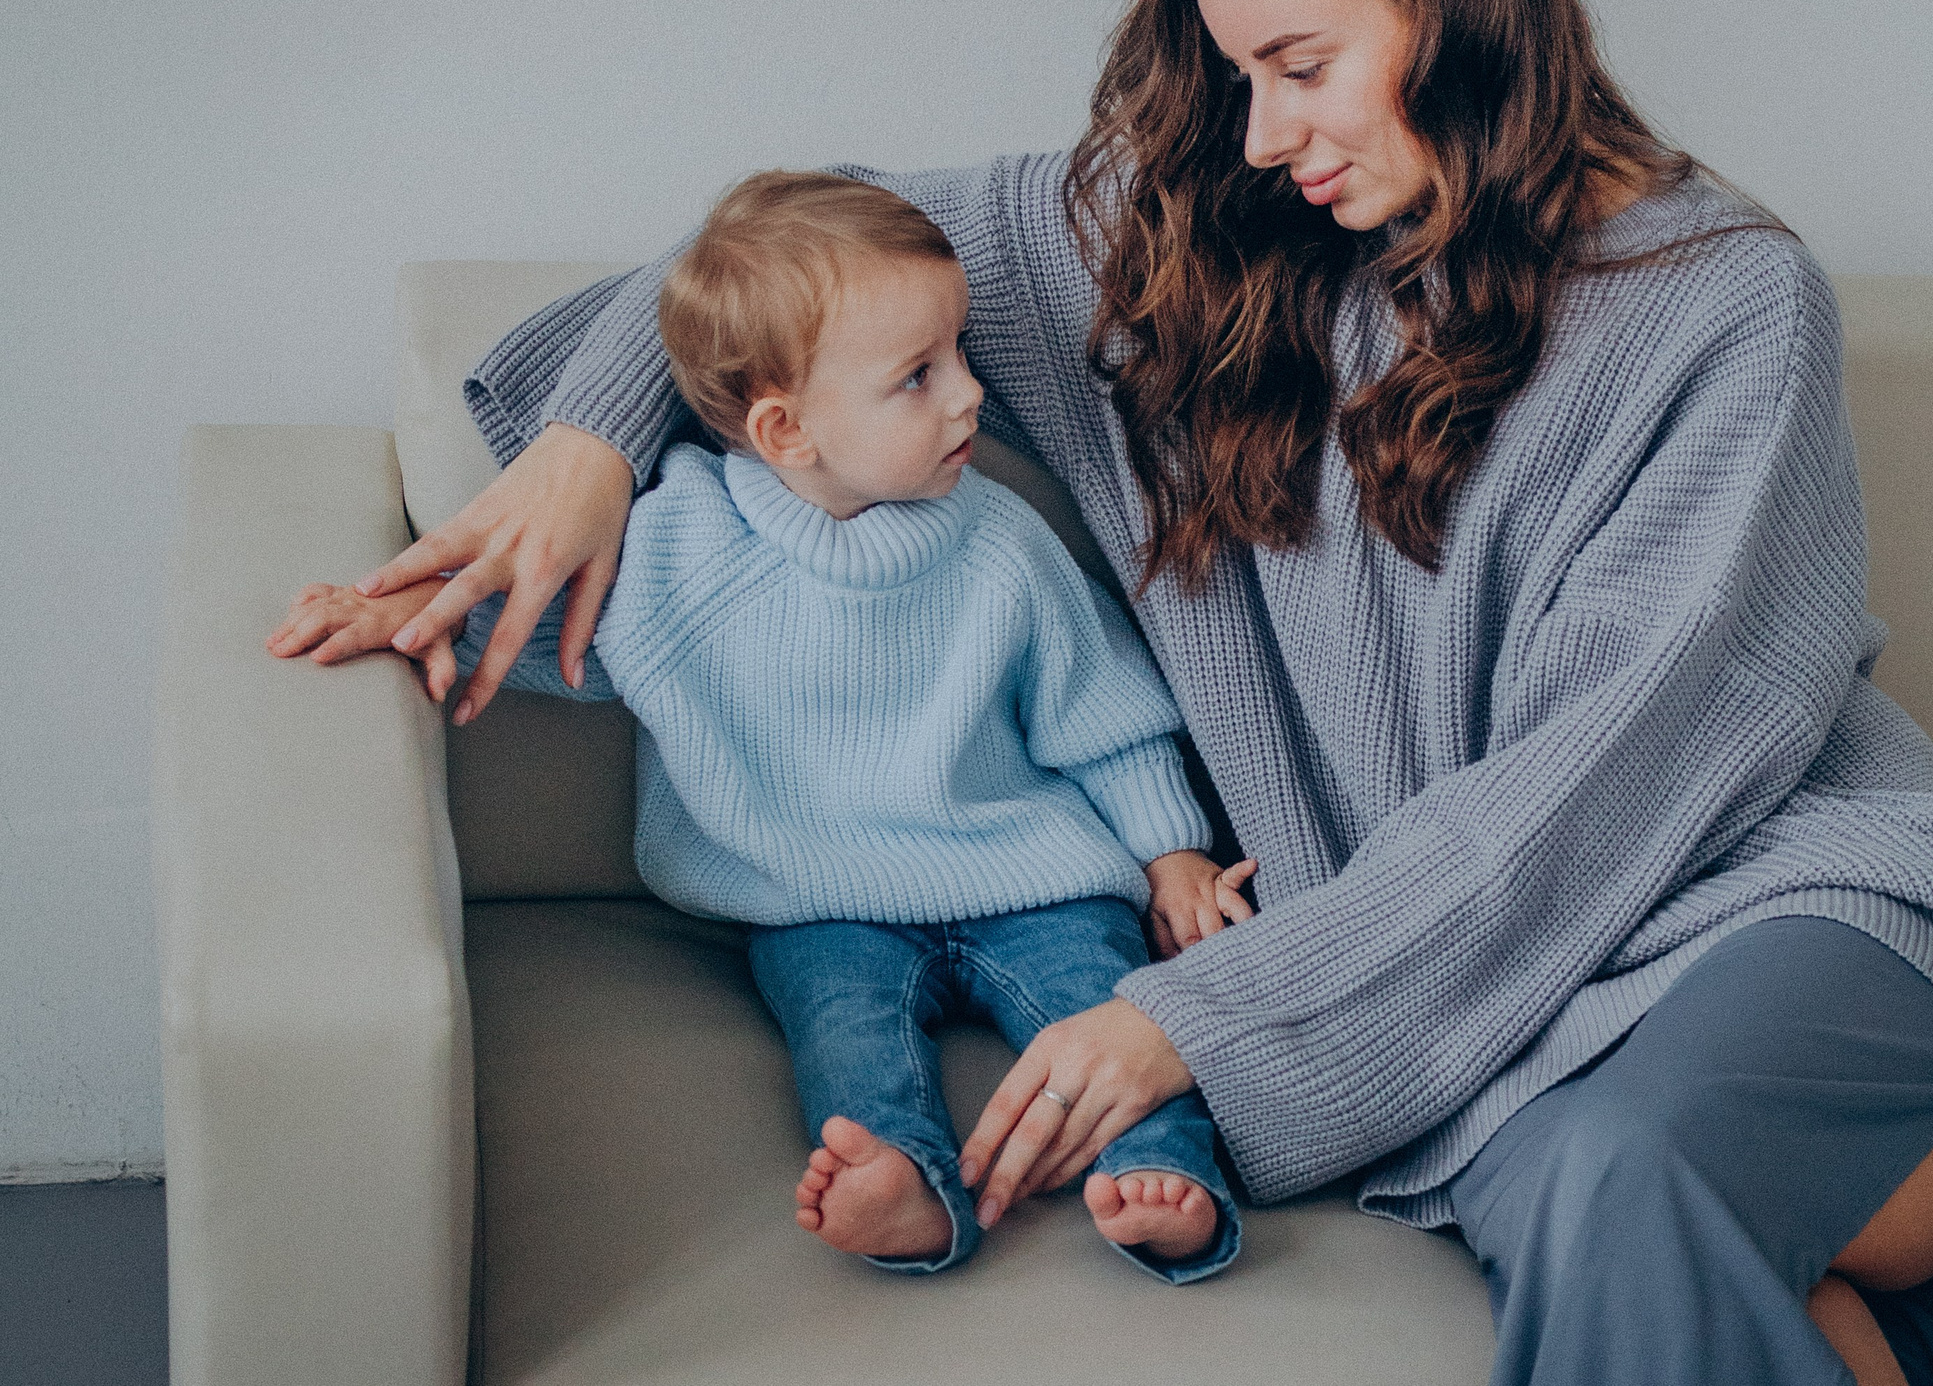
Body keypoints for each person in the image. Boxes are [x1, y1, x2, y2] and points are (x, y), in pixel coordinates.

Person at [321, 0, 1933, 1385]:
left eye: (1304, 65)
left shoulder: (1727, 303)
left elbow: (1607, 779)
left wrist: (1198, 1020)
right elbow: (809, 237)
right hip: (1504, 1005)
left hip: (1786, 913)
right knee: (1590, 1180)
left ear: (1463, 5)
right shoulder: (1194, 252)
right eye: (1239, 73)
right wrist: (584, 447)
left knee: (1624, 1169)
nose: (1262, 132)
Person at [271, 171, 1255, 1283]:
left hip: (1038, 879)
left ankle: (1168, 1186)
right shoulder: (684, 546)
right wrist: (397, 609)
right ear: (787, 430)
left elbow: (1107, 719)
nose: (971, 397)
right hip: (816, 900)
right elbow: (544, 625)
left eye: (963, 355)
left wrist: (1173, 857)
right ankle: (907, 1186)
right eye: (918, 377)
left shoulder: (1001, 543)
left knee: (1112, 1006)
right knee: (845, 1039)